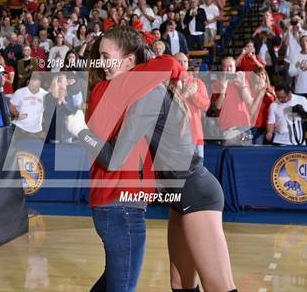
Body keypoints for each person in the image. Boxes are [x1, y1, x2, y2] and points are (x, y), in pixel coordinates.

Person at [67, 26, 238, 292]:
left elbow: (113, 158)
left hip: (195, 194)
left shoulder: (146, 93)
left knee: (219, 287)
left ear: (130, 60)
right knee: (180, 285)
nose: (100, 63)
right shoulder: (138, 87)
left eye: (105, 56)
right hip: (178, 198)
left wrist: (80, 131)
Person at [174, 52, 210, 157]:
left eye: (185, 61)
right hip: (175, 137)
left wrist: (193, 94)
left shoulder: (197, 83)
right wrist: (184, 94)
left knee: (197, 171)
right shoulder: (168, 83)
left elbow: (205, 105)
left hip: (195, 135)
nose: (182, 64)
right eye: (179, 61)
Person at [10, 74, 47, 140]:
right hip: (19, 128)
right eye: (32, 86)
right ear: (28, 82)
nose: (34, 88)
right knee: (15, 148)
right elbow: (11, 106)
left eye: (36, 86)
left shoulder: (45, 94)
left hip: (36, 130)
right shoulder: (19, 92)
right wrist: (18, 114)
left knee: (34, 149)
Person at [43, 74, 78, 143]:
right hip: (54, 131)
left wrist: (64, 102)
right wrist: (59, 100)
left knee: (67, 153)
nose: (67, 83)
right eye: (65, 81)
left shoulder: (68, 95)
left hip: (66, 132)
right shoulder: (48, 96)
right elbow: (50, 113)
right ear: (58, 83)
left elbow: (72, 112)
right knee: (53, 152)